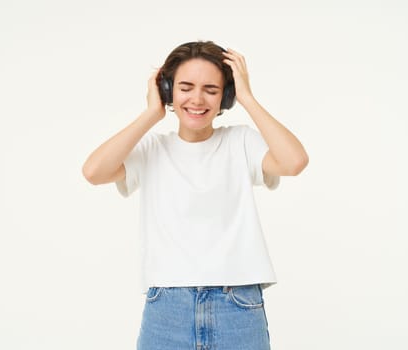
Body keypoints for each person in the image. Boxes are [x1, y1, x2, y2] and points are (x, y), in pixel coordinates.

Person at [82, 41, 308, 350]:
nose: (197, 99)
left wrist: (249, 99)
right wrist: (152, 112)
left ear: (226, 96)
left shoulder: (241, 142)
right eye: (185, 87)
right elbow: (94, 171)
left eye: (212, 90)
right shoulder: (152, 149)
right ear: (167, 90)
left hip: (238, 303)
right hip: (168, 308)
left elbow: (294, 162)